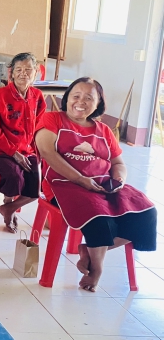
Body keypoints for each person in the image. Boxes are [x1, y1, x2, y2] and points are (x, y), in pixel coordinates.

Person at [35, 78, 157, 292]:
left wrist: (119, 180)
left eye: (89, 98)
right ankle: (97, 268)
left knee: (146, 212)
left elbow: (118, 162)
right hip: (65, 184)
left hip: (103, 183)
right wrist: (81, 179)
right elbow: (47, 151)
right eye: (76, 96)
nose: (80, 102)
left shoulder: (104, 130)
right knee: (100, 218)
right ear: (67, 98)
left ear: (98, 103)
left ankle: (89, 252)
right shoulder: (53, 119)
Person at [0, 53, 46, 232]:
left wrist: (36, 153)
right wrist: (13, 153)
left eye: (28, 70)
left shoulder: (37, 96)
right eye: (18, 70)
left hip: (26, 150)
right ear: (11, 73)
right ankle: (8, 204)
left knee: (38, 182)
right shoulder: (0, 95)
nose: (23, 74)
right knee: (14, 174)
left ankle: (7, 208)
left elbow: (39, 128)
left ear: (36, 73)